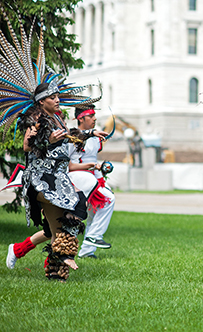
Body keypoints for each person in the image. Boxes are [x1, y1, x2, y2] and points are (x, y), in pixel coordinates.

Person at [0, 16, 104, 280]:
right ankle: (63, 259)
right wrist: (49, 141)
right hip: (42, 181)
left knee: (54, 228)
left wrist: (91, 132)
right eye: (54, 97)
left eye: (58, 97)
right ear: (41, 101)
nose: (59, 100)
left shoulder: (57, 118)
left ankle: (44, 265)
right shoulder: (34, 120)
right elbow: (28, 145)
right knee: (66, 218)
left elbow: (71, 133)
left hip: (58, 178)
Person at [68, 105, 116, 259]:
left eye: (95, 115)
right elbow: (70, 166)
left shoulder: (96, 139)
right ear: (80, 118)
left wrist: (102, 167)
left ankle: (87, 251)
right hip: (78, 176)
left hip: (94, 176)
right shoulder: (72, 137)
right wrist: (90, 166)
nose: (95, 118)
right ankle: (93, 236)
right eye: (91, 116)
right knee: (108, 199)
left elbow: (93, 158)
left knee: (94, 211)